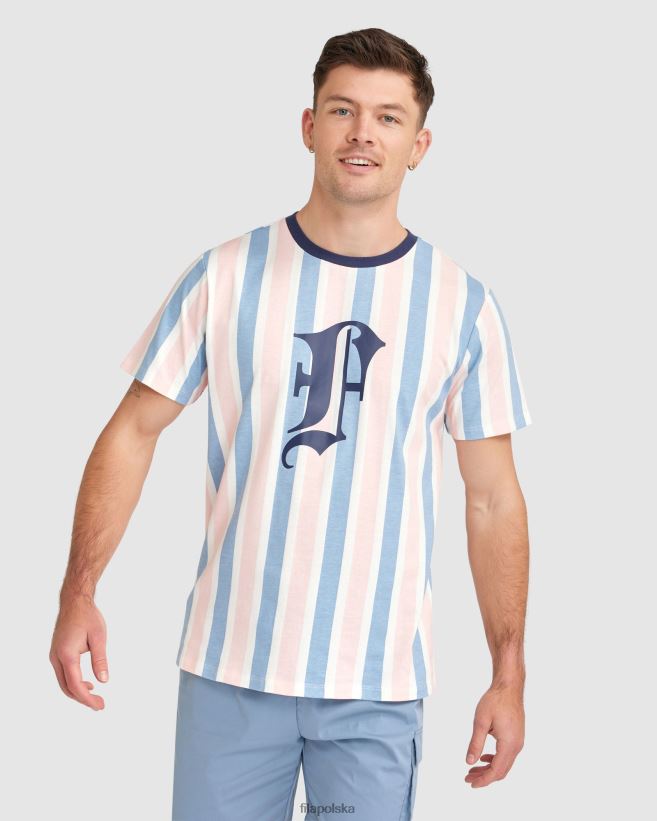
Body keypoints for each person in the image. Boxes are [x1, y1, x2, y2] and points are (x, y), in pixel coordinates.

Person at [49, 26, 532, 820]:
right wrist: (79, 590)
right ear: (308, 126)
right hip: (229, 669)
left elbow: (491, 499)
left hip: (377, 685)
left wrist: (507, 673)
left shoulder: (460, 305)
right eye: (342, 110)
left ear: (418, 145)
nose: (361, 133)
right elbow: (132, 430)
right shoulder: (224, 275)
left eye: (387, 117)